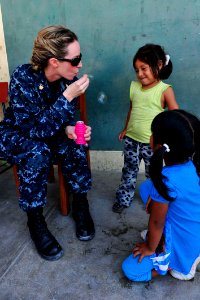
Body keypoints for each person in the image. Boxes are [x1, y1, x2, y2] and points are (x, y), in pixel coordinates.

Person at [0, 25, 95, 261]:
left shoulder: (64, 81)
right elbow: (33, 129)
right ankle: (35, 219)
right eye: (75, 60)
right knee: (37, 151)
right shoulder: (23, 78)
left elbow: (59, 121)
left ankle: (80, 203)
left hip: (45, 132)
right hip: (17, 135)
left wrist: (70, 129)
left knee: (77, 142)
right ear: (54, 61)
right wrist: (67, 97)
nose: (80, 65)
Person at [122, 109, 200, 281]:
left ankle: (177, 266)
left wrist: (150, 247)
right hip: (194, 230)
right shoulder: (194, 165)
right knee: (146, 188)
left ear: (156, 144)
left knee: (131, 270)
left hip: (184, 245)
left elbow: (156, 222)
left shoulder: (166, 180)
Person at [112, 44, 179, 213]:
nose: (140, 74)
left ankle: (154, 200)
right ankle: (123, 199)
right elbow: (132, 110)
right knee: (129, 171)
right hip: (131, 140)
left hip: (152, 143)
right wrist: (125, 129)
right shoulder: (134, 87)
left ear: (159, 65)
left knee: (153, 174)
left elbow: (175, 115)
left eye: (144, 68)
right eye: (137, 70)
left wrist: (168, 137)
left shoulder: (165, 90)